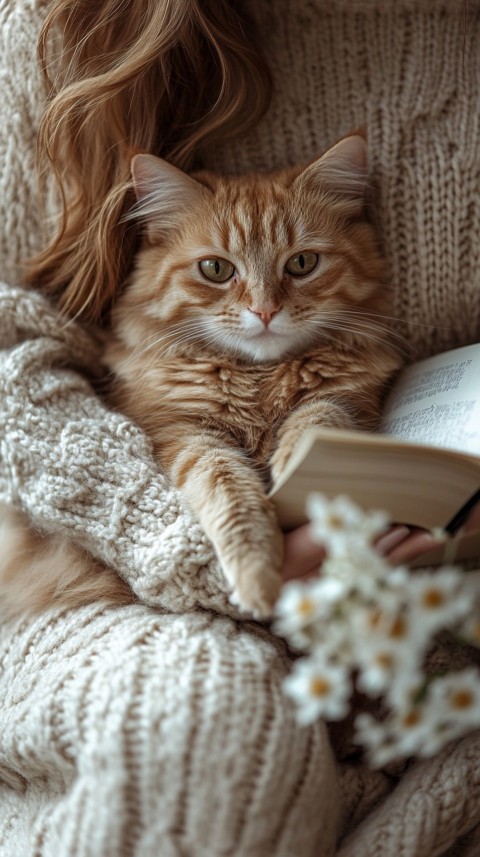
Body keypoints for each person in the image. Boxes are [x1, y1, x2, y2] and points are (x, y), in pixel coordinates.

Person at [0, 1, 479, 855]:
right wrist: (196, 552)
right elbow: (10, 345)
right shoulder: (55, 33)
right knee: (202, 720)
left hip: (435, 591)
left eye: (297, 268)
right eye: (219, 273)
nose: (262, 307)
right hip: (123, 578)